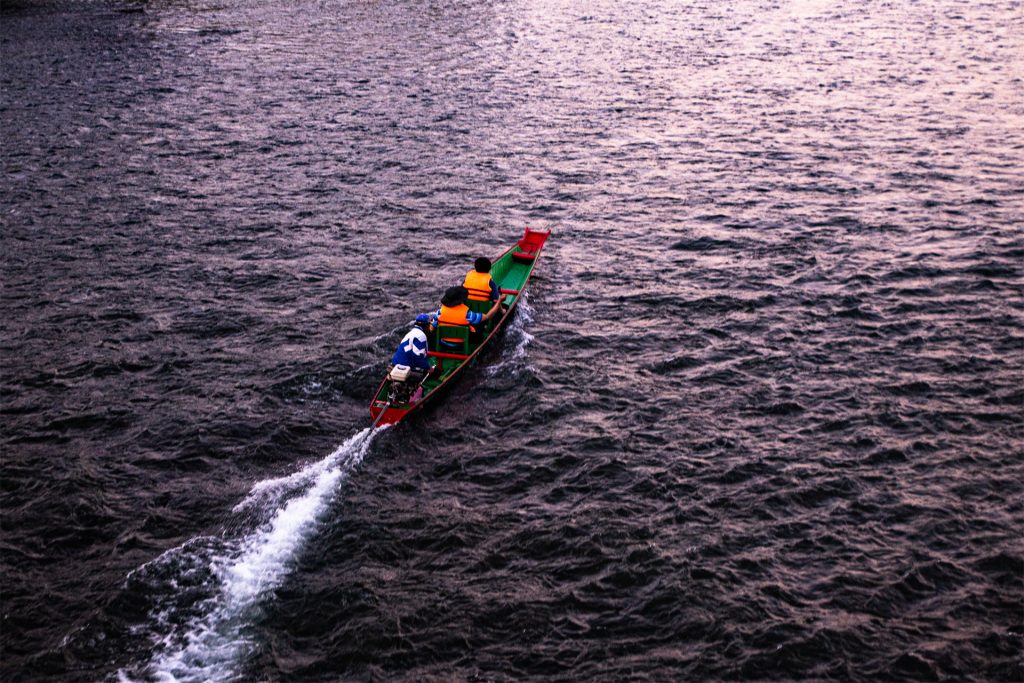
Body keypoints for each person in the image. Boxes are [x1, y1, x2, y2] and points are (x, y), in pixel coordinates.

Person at [433, 285, 501, 345]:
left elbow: (433, 326)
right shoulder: (467, 314)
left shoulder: (439, 312)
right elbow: (488, 316)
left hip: (443, 343)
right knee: (480, 325)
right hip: (461, 344)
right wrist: (499, 302)